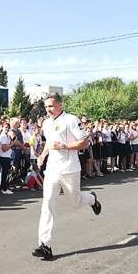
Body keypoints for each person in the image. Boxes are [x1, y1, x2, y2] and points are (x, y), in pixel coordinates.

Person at [32, 93, 102, 261]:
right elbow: (50, 143)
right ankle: (45, 245)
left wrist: (64, 146)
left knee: (75, 202)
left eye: (51, 106)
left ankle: (92, 199)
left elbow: (85, 143)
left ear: (60, 105)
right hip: (53, 170)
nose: (48, 110)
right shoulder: (47, 123)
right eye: (46, 107)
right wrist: (42, 156)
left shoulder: (71, 119)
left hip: (70, 169)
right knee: (47, 203)